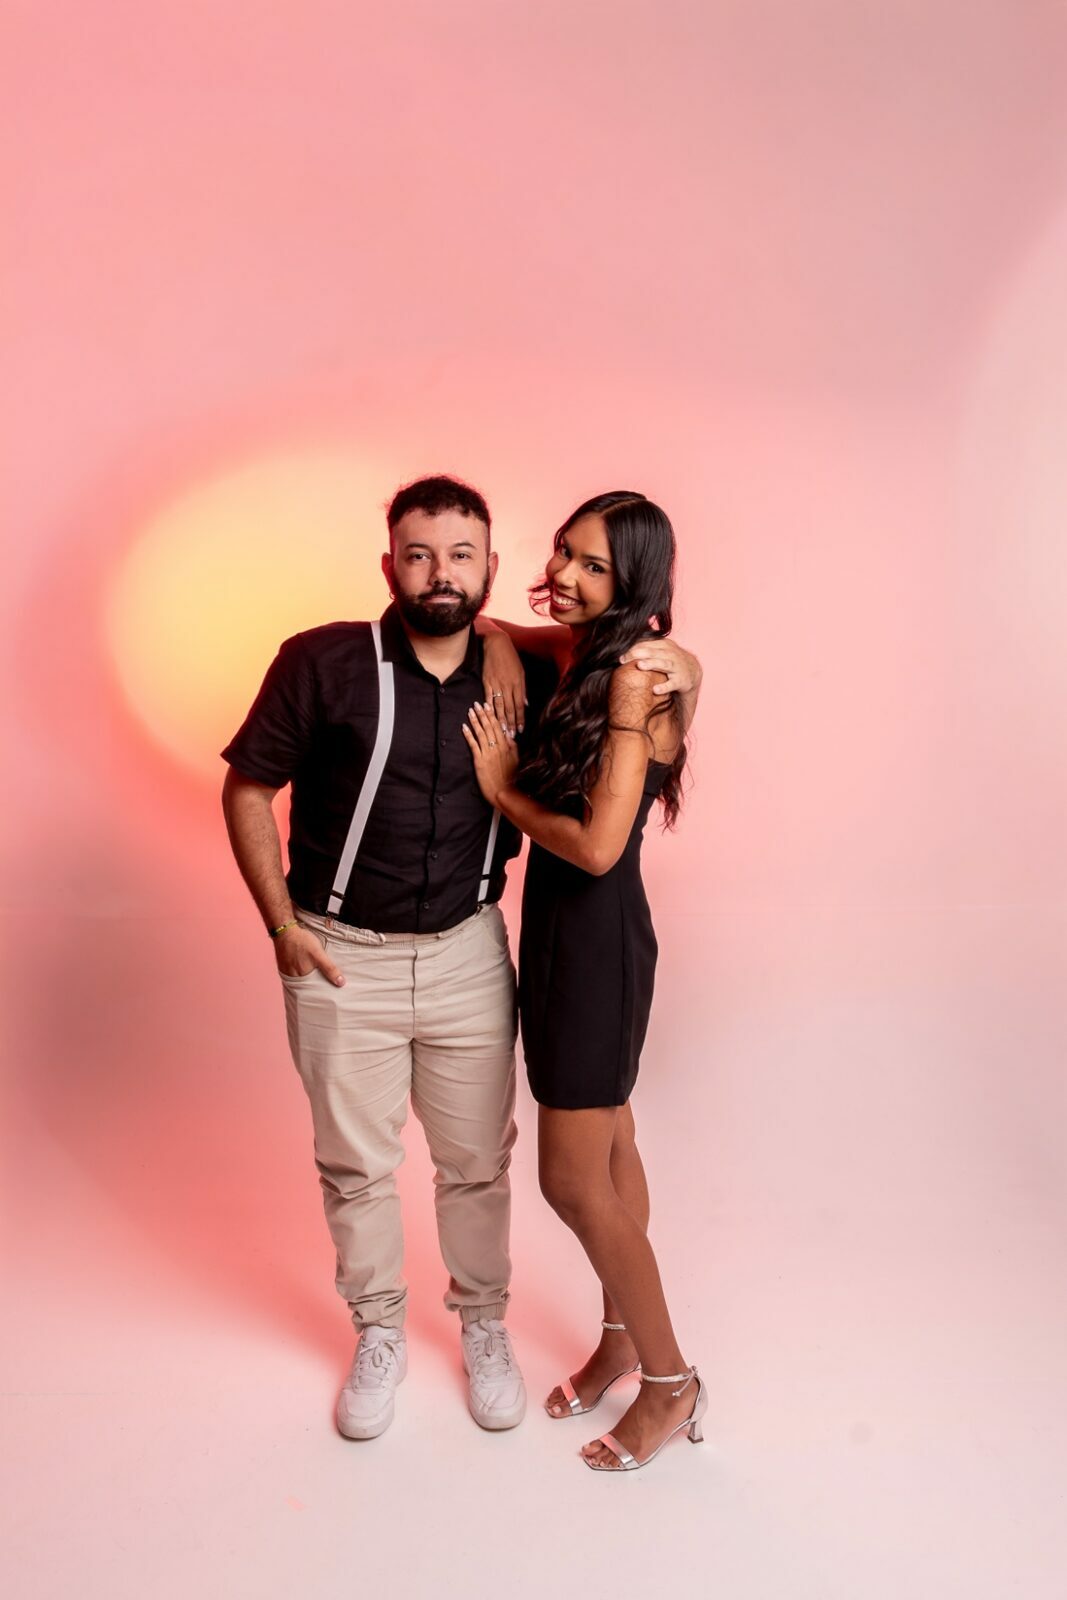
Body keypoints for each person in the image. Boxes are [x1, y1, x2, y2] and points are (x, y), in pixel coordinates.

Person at [220, 475, 701, 1442]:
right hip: (402, 950)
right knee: (394, 1164)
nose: (564, 574)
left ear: (487, 565)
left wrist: (678, 670)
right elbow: (249, 786)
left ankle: (585, 1353)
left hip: (524, 948)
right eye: (420, 554)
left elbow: (605, 827)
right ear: (389, 564)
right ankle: (405, 1333)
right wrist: (281, 926)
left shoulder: (610, 673)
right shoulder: (371, 660)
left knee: (524, 1171)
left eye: (593, 564)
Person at [462, 491, 706, 1472]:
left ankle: (670, 1382)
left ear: (633, 582)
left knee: (570, 1178)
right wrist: (492, 643)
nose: (562, 574)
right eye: (564, 551)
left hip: (597, 938)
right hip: (565, 933)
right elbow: (491, 622)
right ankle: (618, 1341)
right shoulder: (582, 652)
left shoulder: (634, 678)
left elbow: (600, 847)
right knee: (610, 1147)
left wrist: (501, 789)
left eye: (592, 565)